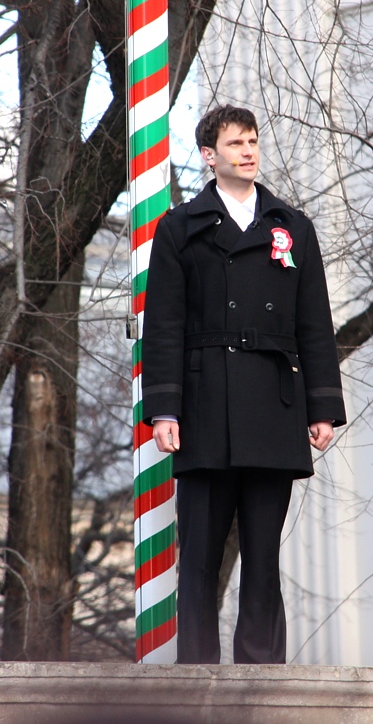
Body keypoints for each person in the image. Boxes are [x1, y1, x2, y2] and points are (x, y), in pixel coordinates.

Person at [141, 104, 347, 664]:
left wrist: (322, 407)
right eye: (235, 144)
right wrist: (164, 410)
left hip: (272, 405)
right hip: (204, 406)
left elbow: (314, 323)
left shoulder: (292, 227)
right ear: (210, 156)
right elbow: (162, 326)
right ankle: (198, 668)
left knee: (262, 552)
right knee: (201, 555)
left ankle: (262, 671)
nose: (249, 151)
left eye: (253, 141)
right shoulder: (180, 228)